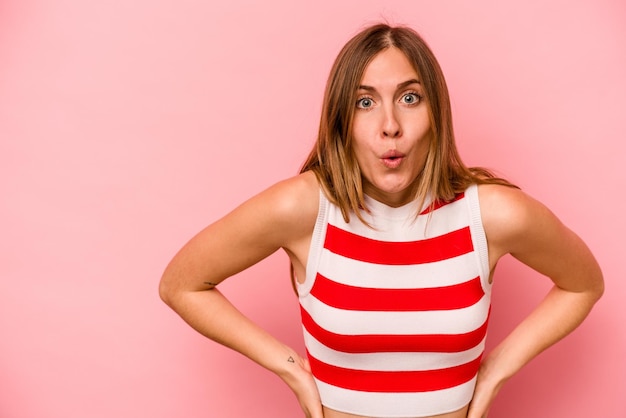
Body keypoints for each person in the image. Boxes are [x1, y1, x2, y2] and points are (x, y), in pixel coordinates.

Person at [159, 24, 604, 418]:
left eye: (410, 98)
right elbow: (181, 283)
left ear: (437, 115)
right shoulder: (304, 210)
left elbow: (584, 283)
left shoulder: (489, 214)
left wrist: (494, 373)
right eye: (364, 102)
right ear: (341, 121)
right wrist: (289, 367)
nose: (390, 125)